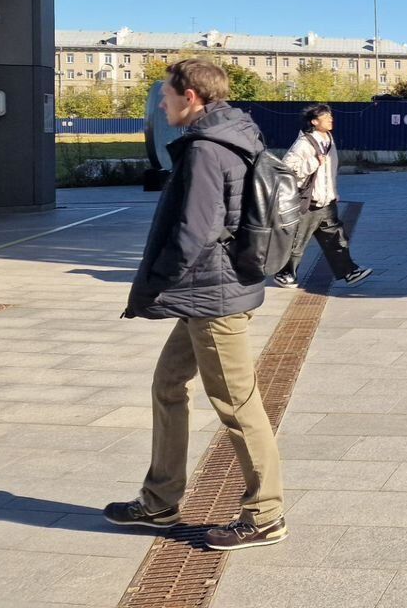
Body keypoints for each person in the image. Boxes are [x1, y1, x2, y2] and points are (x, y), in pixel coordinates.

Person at [105, 58, 287, 551]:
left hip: (213, 297)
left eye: (165, 96)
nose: (160, 106)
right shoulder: (233, 134)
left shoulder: (207, 148)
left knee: (237, 404)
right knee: (168, 384)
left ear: (191, 97)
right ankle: (160, 501)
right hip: (207, 292)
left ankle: (265, 514)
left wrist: (154, 282)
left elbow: (195, 231)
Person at [274, 104, 373, 289]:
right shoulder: (304, 143)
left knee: (336, 238)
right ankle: (285, 273)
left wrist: (333, 192)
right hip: (308, 202)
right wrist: (313, 162)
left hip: (326, 201)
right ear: (314, 122)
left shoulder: (328, 139)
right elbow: (286, 169)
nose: (330, 119)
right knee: (298, 240)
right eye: (326, 116)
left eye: (330, 116)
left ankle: (349, 271)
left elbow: (328, 172)